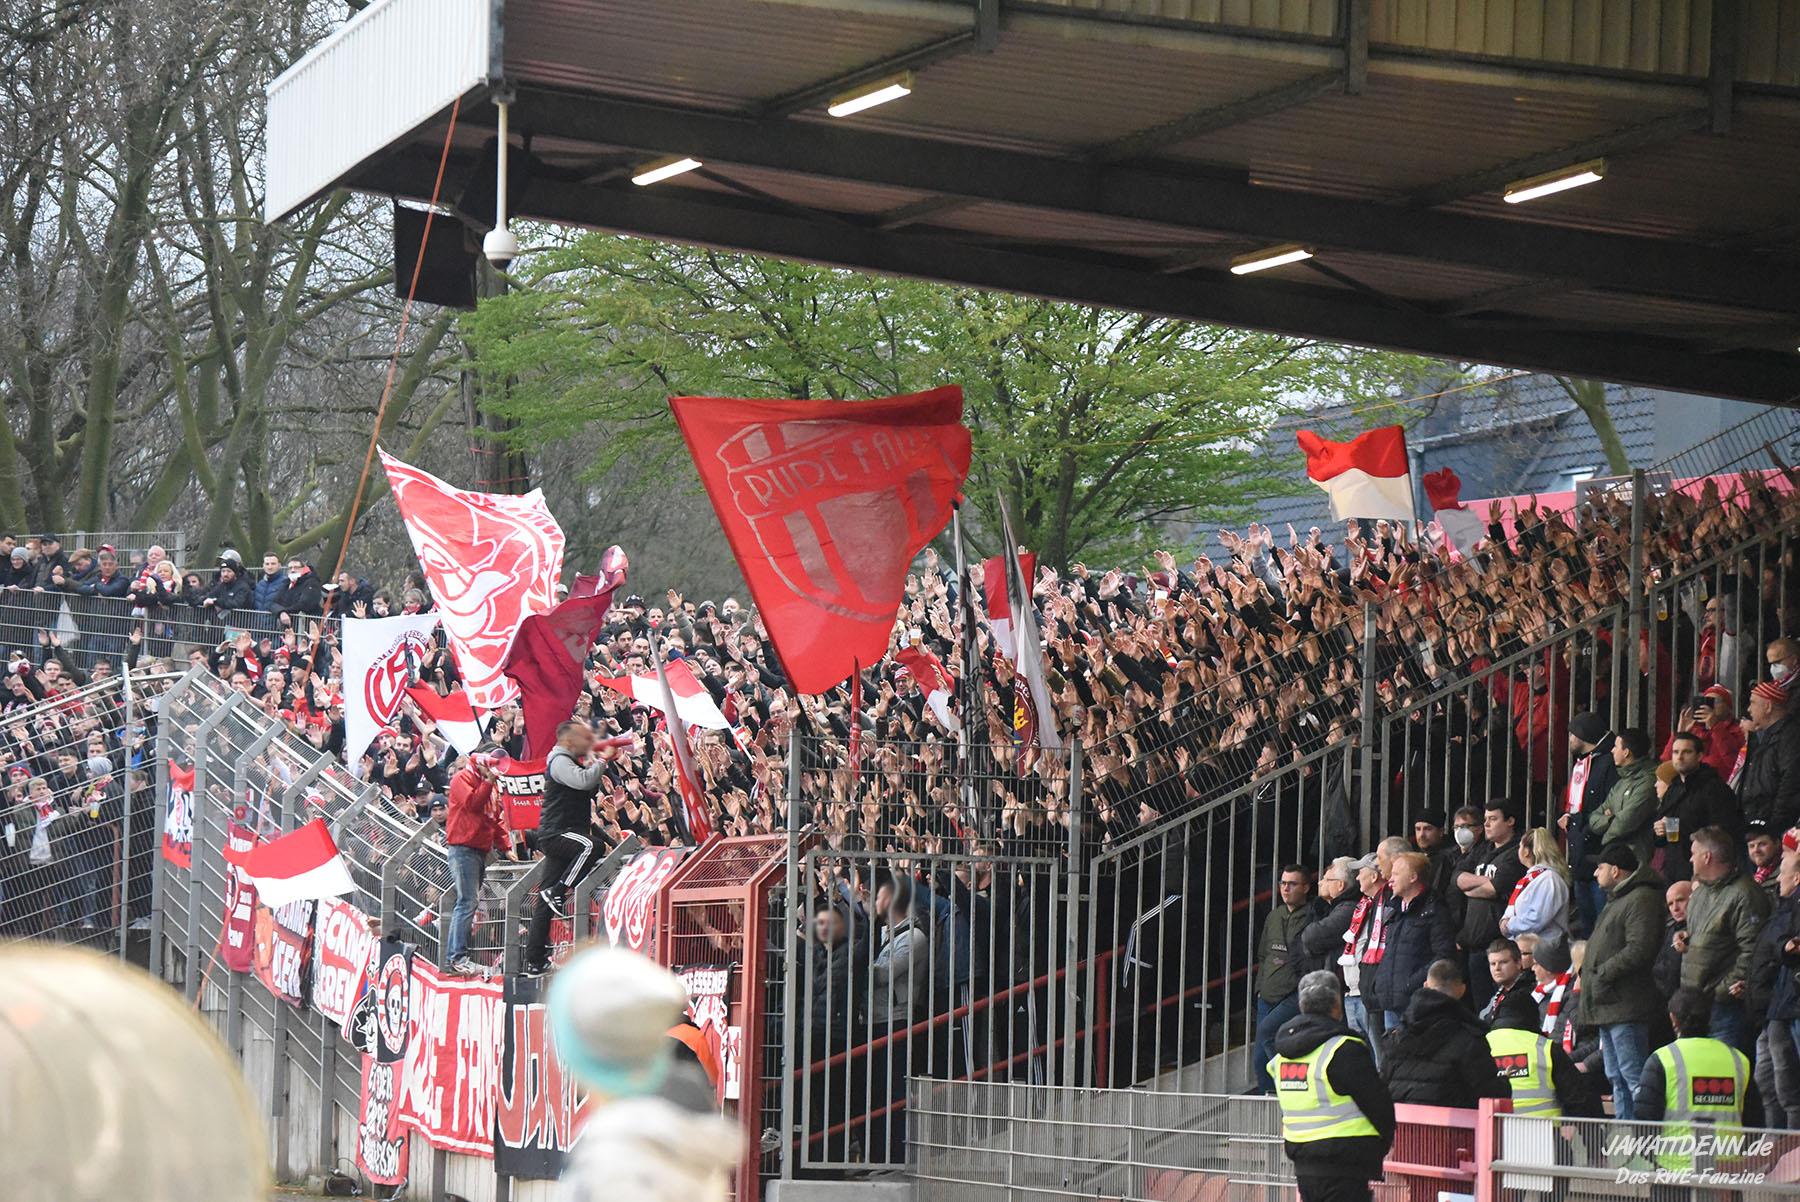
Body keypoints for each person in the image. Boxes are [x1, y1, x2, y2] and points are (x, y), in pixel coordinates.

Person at [1268, 970, 1395, 1202]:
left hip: (1304, 1164)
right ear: (1337, 1005)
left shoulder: (1283, 1056)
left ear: (1301, 1005)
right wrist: (1383, 1144)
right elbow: (1378, 1103)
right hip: (1345, 1164)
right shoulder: (1344, 1049)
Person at [522, 721, 628, 974]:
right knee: (593, 846)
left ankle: (535, 960)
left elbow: (587, 785)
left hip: (565, 832)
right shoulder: (559, 761)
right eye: (583, 737)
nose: (588, 740)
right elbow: (582, 782)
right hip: (559, 833)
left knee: (543, 903)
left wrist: (600, 761)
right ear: (569, 741)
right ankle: (559, 891)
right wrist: (601, 761)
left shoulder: (568, 760)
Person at [1579, 843, 1665, 1120]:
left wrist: (1602, 973)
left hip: (1625, 1004)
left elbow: (1640, 948)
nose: (1595, 873)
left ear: (1615, 870)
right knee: (1616, 1075)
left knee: (1632, 1075)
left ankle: (1641, 1140)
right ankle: (1627, 1137)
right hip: (1610, 1003)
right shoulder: (1619, 899)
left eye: (1600, 867)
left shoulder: (1640, 898)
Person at [1633, 986, 1762, 1156]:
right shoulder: (1738, 1059)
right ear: (1709, 1017)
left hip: (1675, 1170)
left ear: (1673, 1019)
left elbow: (1645, 1119)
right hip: (1729, 1171)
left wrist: (1652, 1158)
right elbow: (1755, 1120)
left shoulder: (1662, 1059)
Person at [1679, 825, 1773, 1051]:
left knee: (1726, 1077)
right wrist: (1686, 939)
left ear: (1707, 856)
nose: (1690, 859)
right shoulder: (1699, 892)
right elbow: (1705, 935)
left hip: (1724, 1008)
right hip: (1693, 1004)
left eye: (1693, 853)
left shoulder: (1746, 894)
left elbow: (1753, 950)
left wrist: (1722, 991)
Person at [1378, 958, 1509, 1108]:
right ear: (1462, 990)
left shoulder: (1396, 1036)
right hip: (1452, 1129)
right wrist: (1504, 1082)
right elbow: (1489, 1093)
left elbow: (1382, 1087)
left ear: (1426, 985)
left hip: (1402, 1128)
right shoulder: (1469, 1039)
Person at [1366, 851, 1456, 1031]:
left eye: (1396, 874)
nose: (1390, 880)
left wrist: (1411, 983)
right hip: (1391, 1001)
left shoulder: (1435, 910)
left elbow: (1444, 955)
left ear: (1413, 877)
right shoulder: (1395, 910)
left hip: (1417, 1002)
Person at [1253, 865, 1321, 1092]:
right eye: (1283, 883)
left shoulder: (1312, 915)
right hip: (1267, 994)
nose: (1285, 888)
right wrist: (1260, 989)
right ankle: (1269, 1096)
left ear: (1306, 887)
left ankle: (1286, 1093)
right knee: (1259, 1057)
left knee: (1277, 1042)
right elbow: (1264, 954)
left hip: (1292, 993)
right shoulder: (1274, 915)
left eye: (1292, 884)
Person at [443, 752, 511, 975]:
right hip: (463, 849)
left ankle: (456, 957)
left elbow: (494, 818)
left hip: (479, 850)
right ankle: (457, 958)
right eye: (488, 767)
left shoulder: (489, 788)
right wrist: (489, 781)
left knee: (467, 902)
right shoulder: (461, 779)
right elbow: (473, 803)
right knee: (467, 901)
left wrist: (506, 846)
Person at [1456, 799, 1524, 1005]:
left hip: (1500, 946)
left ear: (1510, 821)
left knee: (1501, 1005)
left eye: (1493, 819)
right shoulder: (1482, 849)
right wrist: (1485, 883)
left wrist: (1474, 887)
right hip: (1475, 947)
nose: (1486, 824)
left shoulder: (1517, 852)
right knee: (1481, 1009)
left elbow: (1497, 887)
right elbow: (1457, 877)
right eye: (1485, 819)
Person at [1655, 730, 1742, 881]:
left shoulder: (1714, 788)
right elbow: (1663, 831)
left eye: (1686, 752)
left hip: (1705, 870)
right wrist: (1659, 831)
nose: (1680, 757)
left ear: (1700, 756)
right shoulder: (1672, 789)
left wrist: (1677, 827)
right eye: (1675, 752)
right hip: (1673, 867)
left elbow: (1724, 830)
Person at [1561, 712, 1617, 936]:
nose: (1570, 740)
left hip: (1597, 854)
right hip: (1580, 857)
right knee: (1586, 926)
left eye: (1572, 735)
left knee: (1602, 927)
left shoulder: (1607, 764)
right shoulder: (1582, 763)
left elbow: (1608, 807)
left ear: (1582, 735)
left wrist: (1585, 825)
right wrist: (1570, 816)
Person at [1586, 726, 1658, 872]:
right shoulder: (1621, 782)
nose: (1612, 750)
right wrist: (1611, 819)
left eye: (1615, 746)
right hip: (1618, 859)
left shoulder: (1649, 781)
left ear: (1626, 752)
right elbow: (1593, 818)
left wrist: (1607, 828)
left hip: (1637, 861)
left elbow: (1626, 822)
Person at [1740, 681, 1800, 832]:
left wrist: (1775, 822)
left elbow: (1790, 781)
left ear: (1768, 706)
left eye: (1753, 703)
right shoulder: (1763, 736)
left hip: (1774, 826)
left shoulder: (1791, 736)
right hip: (1758, 822)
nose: (1749, 709)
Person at [1500, 827, 1570, 945]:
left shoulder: (1549, 879)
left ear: (1526, 851)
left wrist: (1509, 925)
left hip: (1545, 950)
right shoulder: (1533, 878)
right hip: (1527, 947)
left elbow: (1537, 919)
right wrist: (1504, 921)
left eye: (1520, 846)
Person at [1480, 938, 1536, 1028]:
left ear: (1518, 963)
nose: (1497, 968)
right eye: (1493, 964)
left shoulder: (1529, 992)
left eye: (1503, 962)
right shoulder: (1501, 991)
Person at [1654, 880, 1694, 1002]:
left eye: (1680, 900)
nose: (1675, 908)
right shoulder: (1669, 929)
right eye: (1670, 904)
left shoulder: (1703, 928)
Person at [1746, 822, 1781, 899]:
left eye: (1762, 844)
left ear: (1777, 843)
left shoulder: (1787, 874)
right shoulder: (1747, 878)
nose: (1756, 850)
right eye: (1751, 846)